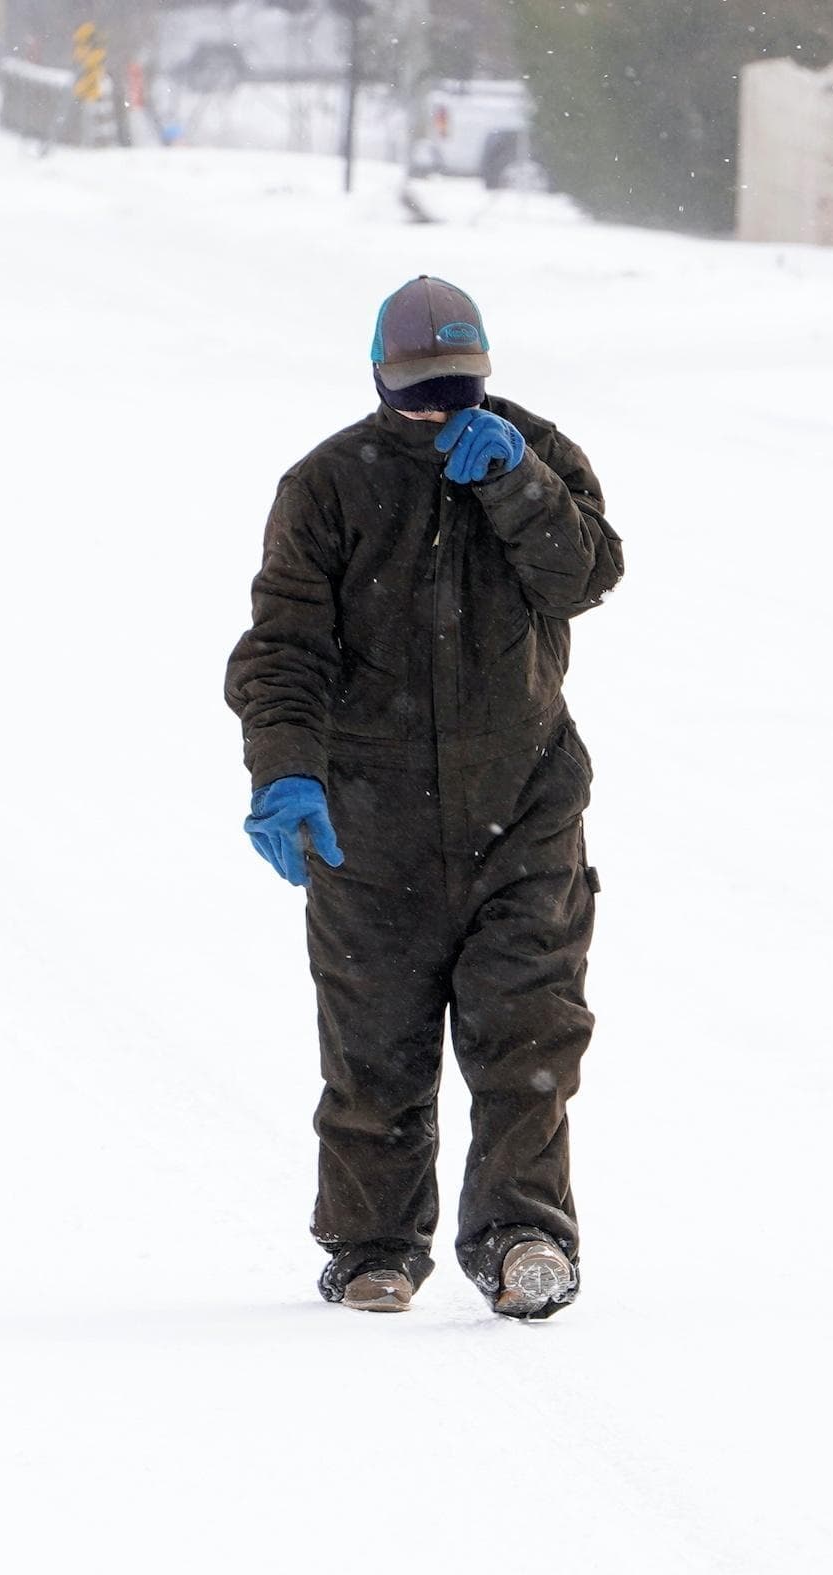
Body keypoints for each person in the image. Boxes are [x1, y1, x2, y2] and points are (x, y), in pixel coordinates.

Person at [225, 276, 624, 1320]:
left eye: (457, 389)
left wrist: (519, 486)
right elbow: (283, 649)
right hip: (372, 818)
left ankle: (525, 1235)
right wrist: (285, 770)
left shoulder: (535, 454)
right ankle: (371, 1247)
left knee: (527, 1033)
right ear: (376, 378)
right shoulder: (326, 487)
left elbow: (584, 576)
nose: (437, 411)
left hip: (524, 806)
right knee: (375, 1046)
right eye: (416, 392)